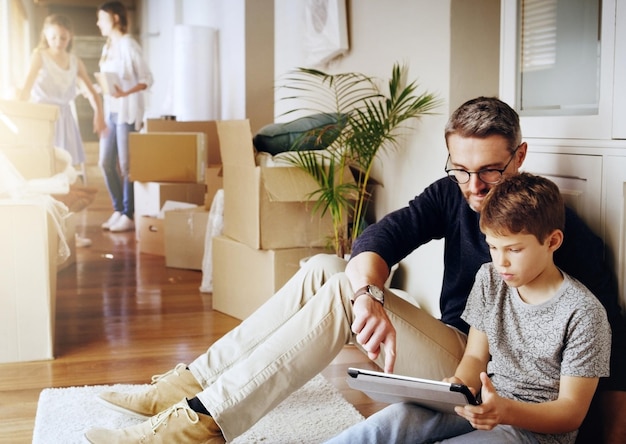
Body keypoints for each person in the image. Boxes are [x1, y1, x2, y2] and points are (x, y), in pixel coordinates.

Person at [85, 97, 626, 444]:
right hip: (463, 356)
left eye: (489, 170)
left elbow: (609, 345)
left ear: (519, 157)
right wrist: (368, 293)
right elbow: (381, 236)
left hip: (493, 377)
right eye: (460, 170)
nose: (474, 188)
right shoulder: (451, 194)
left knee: (342, 289)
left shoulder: (561, 238)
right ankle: (189, 386)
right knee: (328, 269)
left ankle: (198, 426)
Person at [325, 172, 611, 444]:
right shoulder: (490, 278)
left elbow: (571, 413)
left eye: (514, 249)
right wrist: (457, 387)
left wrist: (505, 411)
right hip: (482, 403)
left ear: (552, 241)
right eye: (493, 247)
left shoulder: (584, 313)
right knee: (392, 421)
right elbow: (475, 355)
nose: (502, 263)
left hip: (534, 434)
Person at [19, 13, 107, 248]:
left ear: (70, 38)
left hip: (65, 120)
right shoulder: (39, 57)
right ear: (46, 35)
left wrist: (99, 115)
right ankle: (42, 230)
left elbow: (91, 91)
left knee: (67, 175)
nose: (59, 41)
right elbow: (25, 89)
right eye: (54, 36)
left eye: (64, 38)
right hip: (42, 120)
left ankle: (69, 232)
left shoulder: (75, 61)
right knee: (43, 173)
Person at [96, 1, 153, 232]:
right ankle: (119, 209)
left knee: (127, 164)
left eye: (101, 18)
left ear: (115, 18)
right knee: (105, 162)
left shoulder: (129, 45)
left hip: (127, 112)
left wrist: (124, 92)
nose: (98, 23)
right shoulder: (108, 47)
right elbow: (113, 80)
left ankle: (129, 213)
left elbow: (147, 79)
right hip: (112, 110)